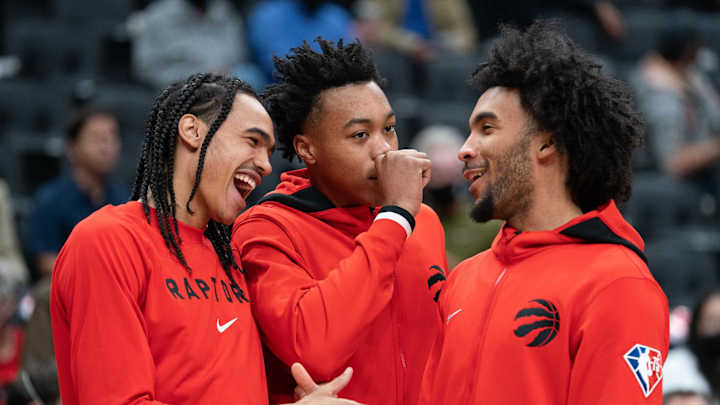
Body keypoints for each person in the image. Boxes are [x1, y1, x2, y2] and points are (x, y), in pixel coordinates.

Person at [50, 73, 362, 405]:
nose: (265, 165)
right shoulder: (107, 241)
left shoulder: (230, 258)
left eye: (269, 151)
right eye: (252, 141)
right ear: (192, 131)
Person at [419, 21, 668, 404]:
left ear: (547, 144)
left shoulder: (618, 284)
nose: (464, 149)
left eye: (487, 128)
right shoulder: (464, 278)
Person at [232, 38, 447, 405]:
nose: (384, 149)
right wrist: (395, 218)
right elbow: (314, 352)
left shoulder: (422, 221)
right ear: (307, 148)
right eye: (360, 135)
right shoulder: (268, 229)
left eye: (389, 128)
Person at [27, 107, 126, 278]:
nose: (106, 147)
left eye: (111, 138)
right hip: (69, 283)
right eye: (97, 139)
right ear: (72, 149)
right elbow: (46, 262)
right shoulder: (50, 199)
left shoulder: (125, 199)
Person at [131, 0, 266, 90]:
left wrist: (221, 73)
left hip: (228, 78)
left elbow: (239, 53)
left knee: (250, 76)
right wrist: (200, 76)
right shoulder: (158, 16)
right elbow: (148, 69)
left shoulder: (223, 10)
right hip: (183, 86)